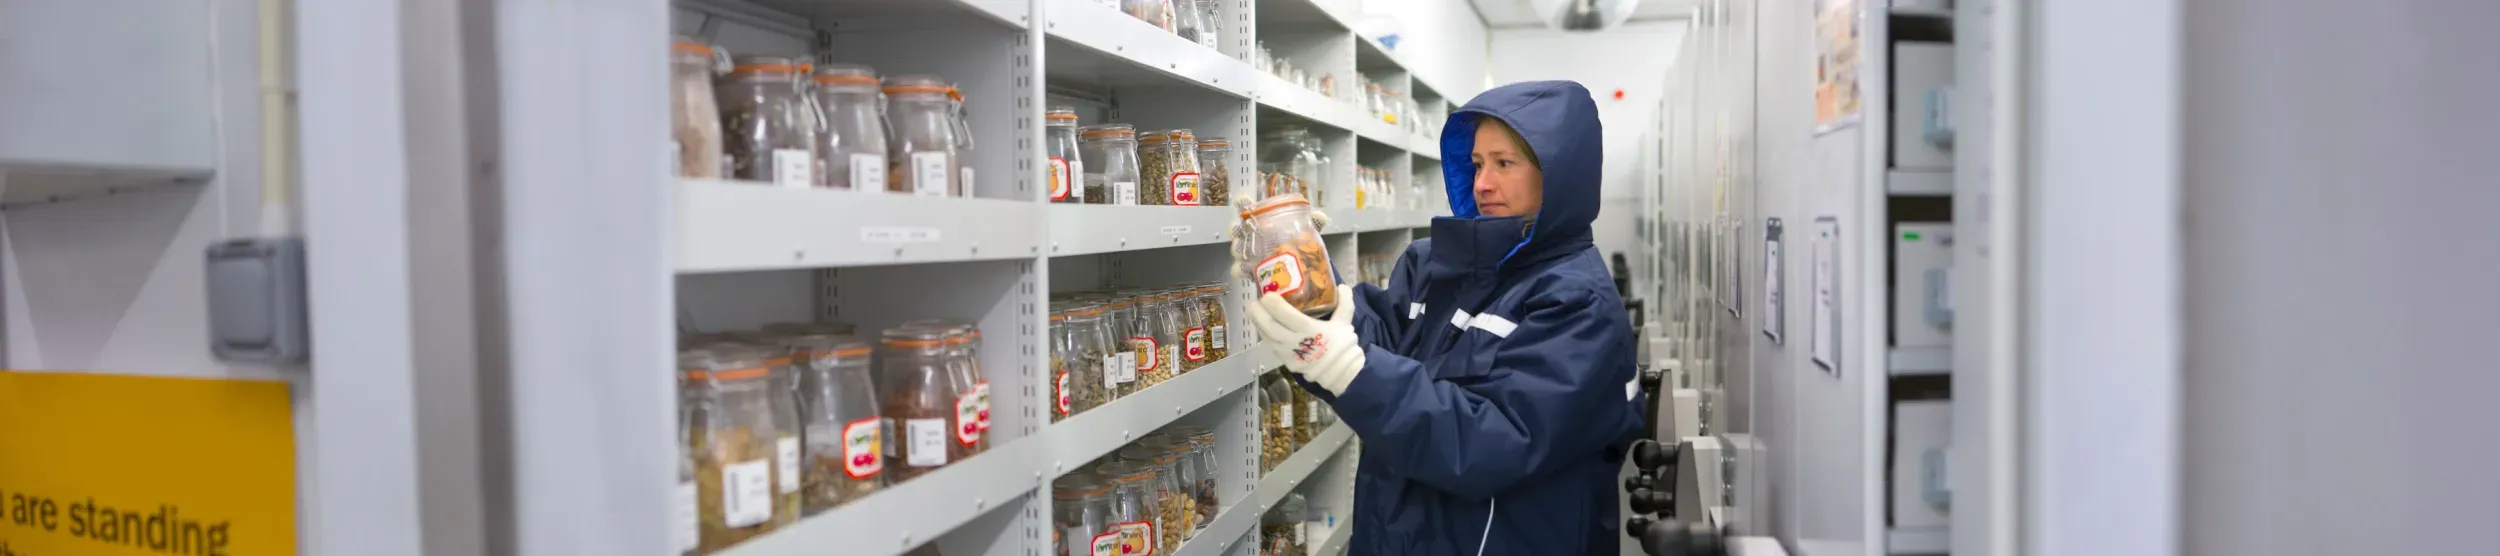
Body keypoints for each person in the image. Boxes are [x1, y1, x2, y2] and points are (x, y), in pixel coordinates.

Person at [1244, 80, 1644, 555]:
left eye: (1504, 163)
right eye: (1476, 164)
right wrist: (1310, 288)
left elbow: (1489, 445)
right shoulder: (1436, 264)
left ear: (1558, 175)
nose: (1482, 183)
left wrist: (1349, 368)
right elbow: (1375, 343)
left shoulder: (1578, 304)